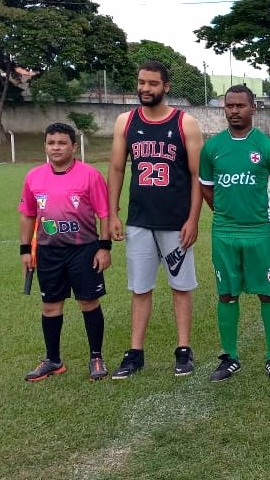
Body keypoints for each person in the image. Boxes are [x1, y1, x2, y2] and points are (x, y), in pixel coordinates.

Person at [107, 60, 204, 378]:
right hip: (139, 221)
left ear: (166, 87)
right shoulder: (125, 121)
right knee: (140, 288)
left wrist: (193, 219)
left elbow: (196, 176)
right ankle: (135, 352)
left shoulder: (185, 123)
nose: (145, 88)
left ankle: (184, 350)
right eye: (141, 82)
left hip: (176, 223)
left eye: (152, 83)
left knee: (181, 287)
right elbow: (118, 168)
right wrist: (113, 213)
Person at [199, 85, 270, 382]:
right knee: (226, 295)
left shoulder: (267, 148)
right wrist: (225, 214)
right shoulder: (212, 148)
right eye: (229, 106)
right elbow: (206, 187)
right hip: (224, 233)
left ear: (253, 108)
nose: (234, 111)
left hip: (260, 233)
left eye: (240, 105)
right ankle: (229, 357)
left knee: (268, 294)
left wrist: (268, 218)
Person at [19, 123, 112, 381]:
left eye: (62, 143)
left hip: (84, 250)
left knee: (88, 302)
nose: (56, 147)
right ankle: (53, 360)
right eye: (51, 143)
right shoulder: (33, 177)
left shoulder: (90, 175)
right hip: (49, 252)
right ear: (45, 146)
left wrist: (104, 248)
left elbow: (104, 214)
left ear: (73, 146)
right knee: (50, 306)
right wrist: (26, 250)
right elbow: (27, 214)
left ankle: (96, 357)